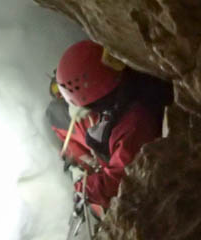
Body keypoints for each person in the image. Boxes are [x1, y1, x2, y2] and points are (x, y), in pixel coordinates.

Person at [49, 40, 171, 215]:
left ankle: (83, 164)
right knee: (56, 113)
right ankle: (78, 157)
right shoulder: (118, 81)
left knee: (97, 208)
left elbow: (118, 181)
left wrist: (83, 188)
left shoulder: (135, 126)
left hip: (113, 152)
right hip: (109, 119)